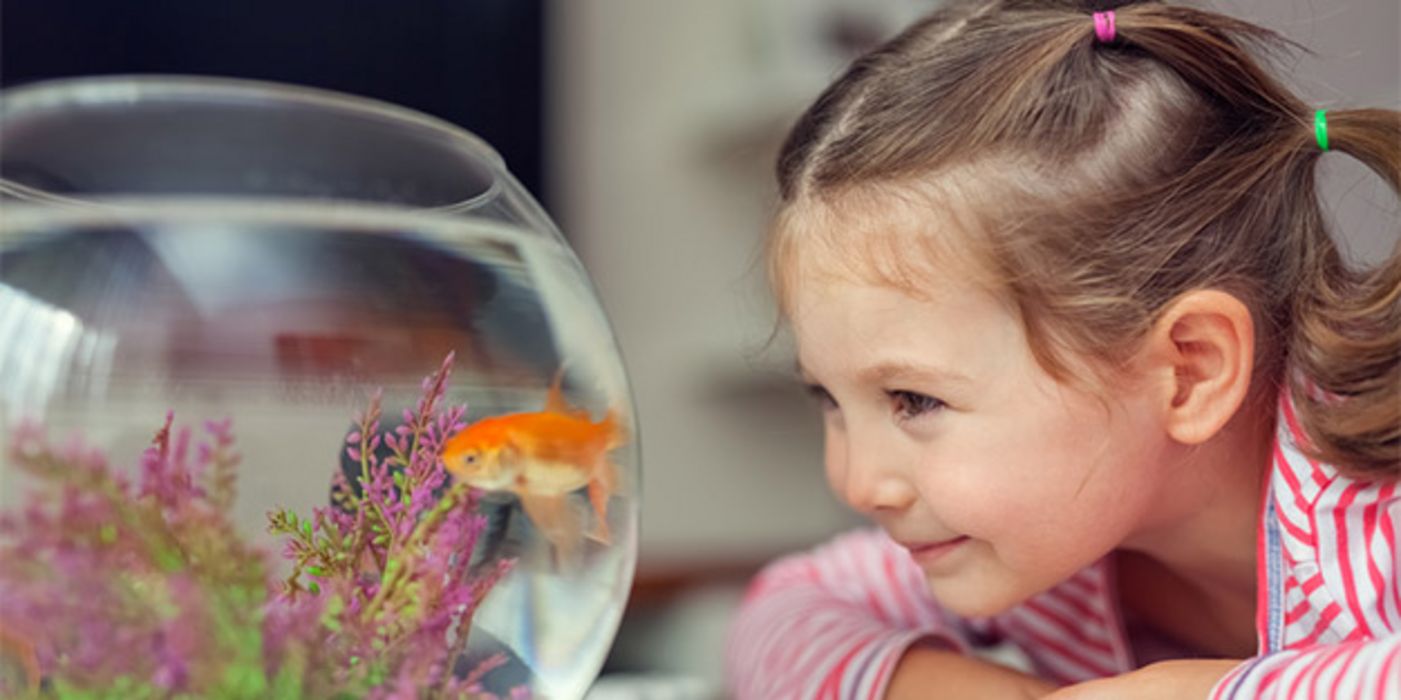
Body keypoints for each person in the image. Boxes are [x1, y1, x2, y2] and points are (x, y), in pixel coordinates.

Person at [724, 0, 1400, 697]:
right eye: (828, 399)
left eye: (913, 400)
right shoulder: (1049, 540)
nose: (857, 483)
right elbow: (783, 611)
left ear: (1188, 370)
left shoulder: (1375, 510)